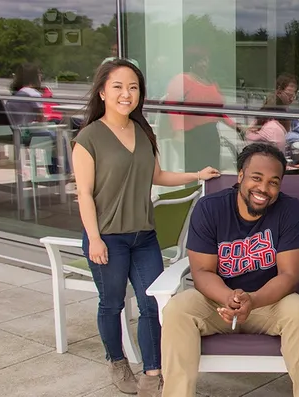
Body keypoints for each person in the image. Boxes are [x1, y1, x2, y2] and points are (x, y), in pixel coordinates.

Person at [73, 59, 220, 397]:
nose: (127, 94)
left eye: (133, 87)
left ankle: (153, 371)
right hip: (106, 237)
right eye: (118, 87)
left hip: (143, 236)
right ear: (102, 92)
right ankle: (117, 361)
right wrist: (94, 239)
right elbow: (83, 194)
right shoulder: (88, 138)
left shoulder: (143, 132)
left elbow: (158, 176)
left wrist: (197, 175)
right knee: (111, 304)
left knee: (152, 304)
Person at [160, 142, 299, 397]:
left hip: (270, 303)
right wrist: (228, 297)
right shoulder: (210, 208)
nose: (263, 188)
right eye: (256, 178)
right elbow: (203, 271)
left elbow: (289, 275)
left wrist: (253, 300)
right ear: (240, 176)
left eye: (273, 182)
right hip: (216, 302)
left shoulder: (290, 210)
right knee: (177, 309)